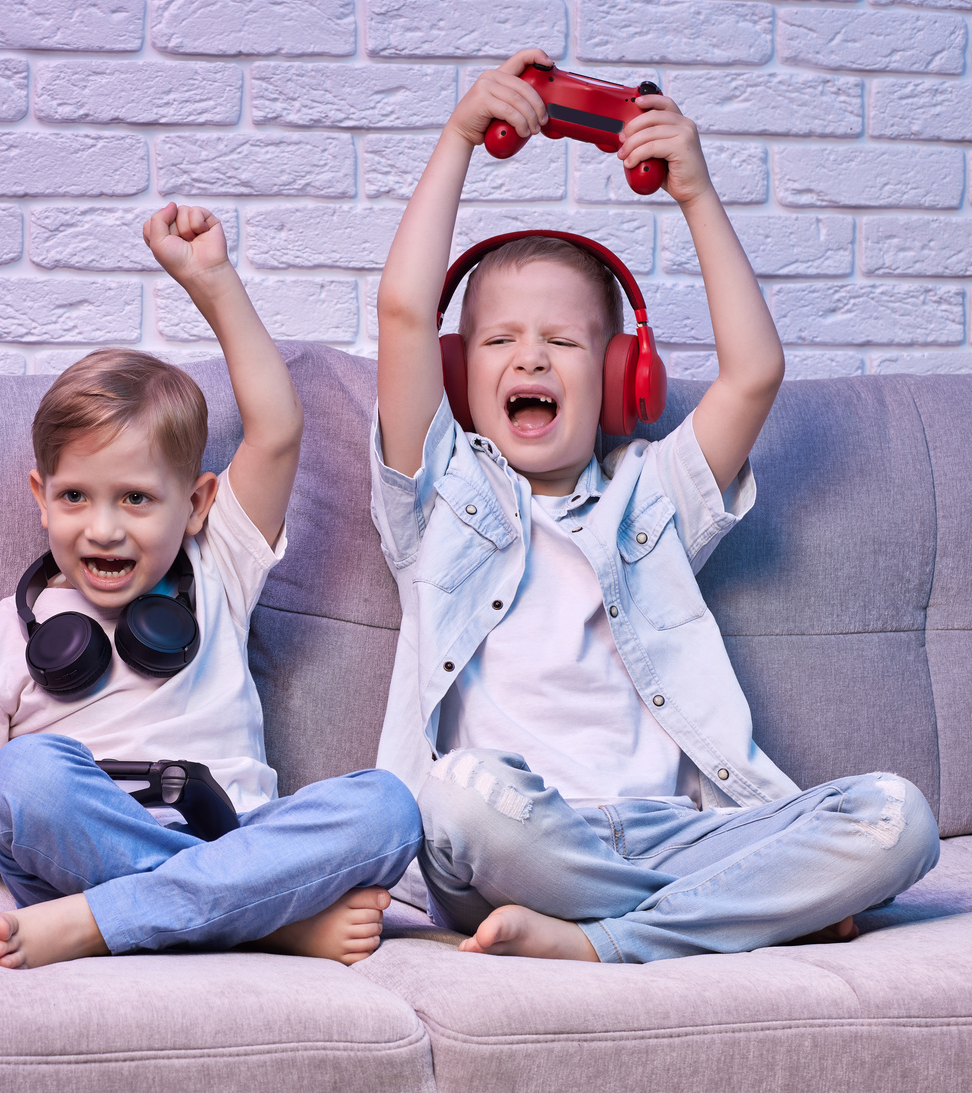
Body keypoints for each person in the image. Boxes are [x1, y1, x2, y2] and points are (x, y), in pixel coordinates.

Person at [370, 48, 940, 963]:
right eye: (500, 341)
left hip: (676, 830)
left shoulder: (651, 494)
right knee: (456, 792)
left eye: (562, 340)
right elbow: (402, 312)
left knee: (895, 817)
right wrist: (456, 140)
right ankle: (742, 910)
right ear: (455, 373)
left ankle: (605, 939)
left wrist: (697, 196)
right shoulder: (441, 495)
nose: (530, 359)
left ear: (623, 381)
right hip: (518, 835)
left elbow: (754, 373)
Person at [0, 202, 422, 970]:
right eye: (75, 496)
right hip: (85, 850)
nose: (104, 528)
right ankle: (263, 922)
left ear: (196, 504)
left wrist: (211, 280)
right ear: (39, 494)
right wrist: (24, 802)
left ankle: (116, 918)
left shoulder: (216, 570)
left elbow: (277, 428)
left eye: (137, 499)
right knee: (23, 774)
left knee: (389, 806)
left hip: (240, 838)